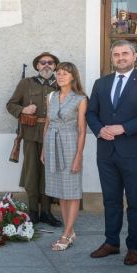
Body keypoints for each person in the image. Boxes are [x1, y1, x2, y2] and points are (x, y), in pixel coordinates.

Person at [86, 40, 137, 266]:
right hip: (106, 151)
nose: (120, 57)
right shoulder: (101, 83)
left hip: (133, 151)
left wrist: (124, 128)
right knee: (111, 200)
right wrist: (99, 130)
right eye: (116, 54)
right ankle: (111, 242)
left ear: (134, 56)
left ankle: (134, 247)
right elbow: (91, 113)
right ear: (112, 58)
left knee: (135, 200)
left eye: (125, 53)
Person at [6, 52, 62, 226]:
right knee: (31, 172)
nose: (46, 65)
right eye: (42, 62)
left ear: (55, 66)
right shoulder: (26, 83)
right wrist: (23, 110)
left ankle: (46, 211)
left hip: (54, 135)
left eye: (50, 63)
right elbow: (11, 104)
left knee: (49, 174)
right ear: (37, 66)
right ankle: (32, 212)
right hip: (30, 134)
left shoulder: (61, 83)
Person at [41, 62, 87, 251]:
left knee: (72, 190)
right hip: (52, 143)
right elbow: (47, 123)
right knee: (61, 189)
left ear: (73, 77)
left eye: (65, 74)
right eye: (58, 73)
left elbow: (82, 130)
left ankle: (67, 234)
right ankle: (70, 230)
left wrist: (78, 156)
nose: (60, 77)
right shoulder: (50, 96)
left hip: (70, 144)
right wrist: (44, 149)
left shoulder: (80, 98)